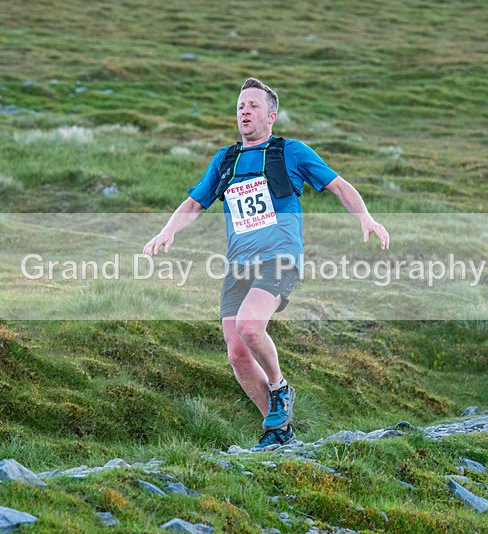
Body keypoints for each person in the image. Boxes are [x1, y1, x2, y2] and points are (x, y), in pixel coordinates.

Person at [143, 78, 388, 450]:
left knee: (250, 325)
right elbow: (194, 203)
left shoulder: (292, 151)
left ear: (271, 116)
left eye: (254, 106)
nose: (244, 111)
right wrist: (167, 231)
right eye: (240, 105)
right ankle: (278, 433)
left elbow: (339, 186)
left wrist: (365, 218)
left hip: (280, 256)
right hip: (238, 264)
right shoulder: (225, 159)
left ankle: (280, 388)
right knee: (237, 353)